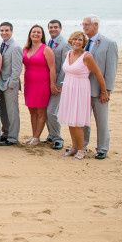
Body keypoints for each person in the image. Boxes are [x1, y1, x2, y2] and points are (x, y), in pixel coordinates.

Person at [58, 31, 109, 160]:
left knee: (77, 121)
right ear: (71, 40)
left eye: (80, 40)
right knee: (70, 120)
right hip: (68, 89)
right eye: (75, 39)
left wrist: (104, 91)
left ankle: (81, 149)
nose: (77, 42)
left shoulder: (87, 57)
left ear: (84, 43)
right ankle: (74, 147)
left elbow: (98, 74)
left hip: (80, 90)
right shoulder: (68, 54)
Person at [81, 15, 119, 160]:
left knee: (101, 120)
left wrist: (107, 90)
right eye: (83, 24)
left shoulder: (109, 43)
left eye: (87, 25)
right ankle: (82, 145)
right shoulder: (82, 42)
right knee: (83, 120)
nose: (84, 27)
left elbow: (111, 69)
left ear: (95, 25)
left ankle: (102, 148)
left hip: (99, 90)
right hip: (83, 88)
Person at [21, 25, 58, 146]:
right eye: (34, 32)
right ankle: (33, 136)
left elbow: (52, 68)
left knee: (41, 111)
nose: (36, 34)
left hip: (42, 84)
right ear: (30, 34)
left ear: (42, 35)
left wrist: (52, 84)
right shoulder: (25, 49)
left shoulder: (46, 49)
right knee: (32, 111)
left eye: (38, 32)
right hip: (29, 83)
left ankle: (37, 137)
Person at [44, 19, 70, 150]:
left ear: (60, 28)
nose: (53, 29)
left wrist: (58, 85)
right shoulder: (49, 42)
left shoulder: (64, 44)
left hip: (58, 83)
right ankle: (51, 135)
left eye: (55, 27)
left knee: (52, 112)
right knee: (46, 110)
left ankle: (58, 138)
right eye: (50, 27)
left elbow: (65, 67)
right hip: (48, 82)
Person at [0, 22, 23, 146]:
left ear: (11, 31)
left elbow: (17, 70)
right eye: (2, 30)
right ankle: (6, 132)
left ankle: (12, 137)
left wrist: (11, 84)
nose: (4, 32)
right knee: (3, 111)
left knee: (12, 111)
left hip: (9, 84)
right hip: (0, 82)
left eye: (6, 30)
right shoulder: (1, 45)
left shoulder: (16, 47)